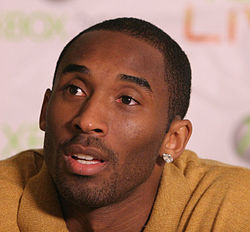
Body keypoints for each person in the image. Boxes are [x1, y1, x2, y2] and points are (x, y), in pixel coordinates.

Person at [0, 17, 249, 232]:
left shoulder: (236, 205)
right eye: (75, 90)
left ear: (173, 139)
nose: (87, 121)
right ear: (45, 109)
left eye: (127, 100)